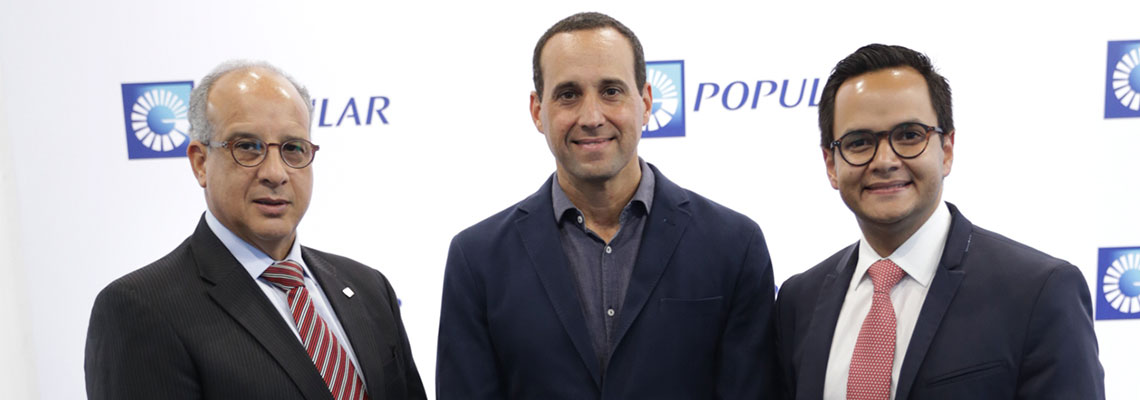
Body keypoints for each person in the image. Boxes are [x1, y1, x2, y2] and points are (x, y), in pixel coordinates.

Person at [436, 12, 778, 399]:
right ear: (537, 111)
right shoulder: (476, 259)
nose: (591, 117)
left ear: (645, 102)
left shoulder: (733, 245)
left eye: (611, 91)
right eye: (568, 95)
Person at [774, 44, 1104, 399]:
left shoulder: (1039, 291)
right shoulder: (798, 302)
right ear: (830, 164)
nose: (884, 161)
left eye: (909, 136)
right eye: (859, 142)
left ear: (946, 149)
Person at [85, 61, 427, 400]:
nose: (275, 173)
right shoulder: (141, 308)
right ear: (200, 162)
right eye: (248, 147)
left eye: (293, 148)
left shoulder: (369, 287)